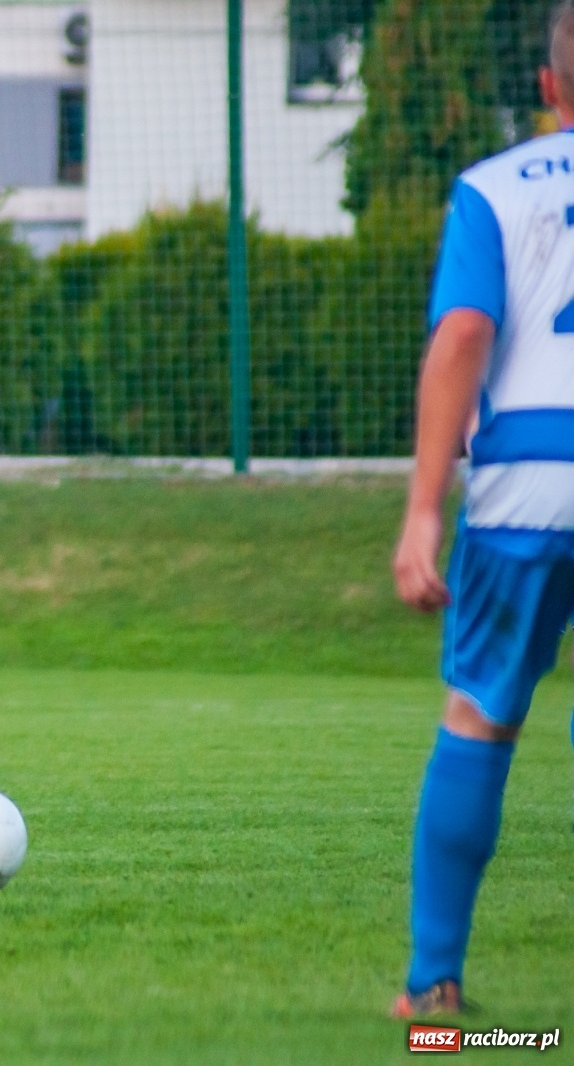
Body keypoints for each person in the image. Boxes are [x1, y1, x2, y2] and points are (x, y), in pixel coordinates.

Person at [389, 3, 574, 1016]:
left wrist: (423, 510)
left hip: (526, 483)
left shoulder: (494, 187)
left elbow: (462, 333)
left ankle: (433, 991)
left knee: (479, 717)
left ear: (549, 89)